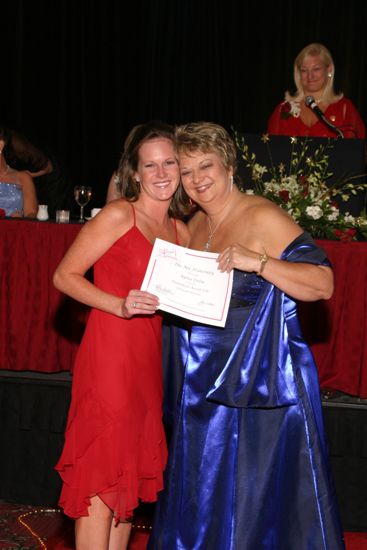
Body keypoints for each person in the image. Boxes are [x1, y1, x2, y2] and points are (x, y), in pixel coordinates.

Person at [148, 122, 345, 549]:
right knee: (202, 499)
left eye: (207, 166)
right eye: (186, 170)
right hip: (202, 387)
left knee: (253, 504)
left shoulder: (261, 215)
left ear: (229, 165)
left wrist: (259, 261)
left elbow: (322, 283)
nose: (198, 179)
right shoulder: (195, 223)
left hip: (258, 387)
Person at [53, 120, 190, 550]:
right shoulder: (118, 214)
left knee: (127, 476)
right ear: (134, 173)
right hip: (110, 355)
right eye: (151, 165)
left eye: (170, 162)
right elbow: (63, 276)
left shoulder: (179, 231)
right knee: (101, 474)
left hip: (147, 362)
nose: (162, 172)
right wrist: (118, 303)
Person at [267, 42, 365, 138]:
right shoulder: (284, 110)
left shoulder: (344, 109)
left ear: (329, 70)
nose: (310, 76)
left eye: (316, 69)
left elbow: (358, 150)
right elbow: (269, 150)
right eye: (304, 70)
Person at [0, 126, 38, 217]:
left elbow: (31, 214)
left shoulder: (23, 178)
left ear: (0, 145)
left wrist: (18, 222)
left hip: (16, 230)